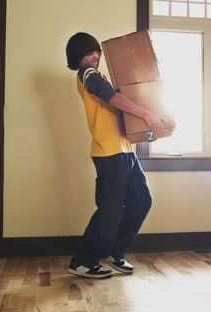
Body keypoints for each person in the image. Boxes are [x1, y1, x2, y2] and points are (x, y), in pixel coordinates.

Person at [65, 32, 163, 278]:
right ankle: (82, 261)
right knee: (109, 209)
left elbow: (117, 104)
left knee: (141, 201)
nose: (95, 55)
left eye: (96, 51)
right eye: (89, 52)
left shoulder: (101, 76)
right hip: (108, 152)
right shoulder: (88, 74)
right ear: (78, 57)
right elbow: (109, 97)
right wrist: (146, 114)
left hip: (125, 150)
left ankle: (114, 252)